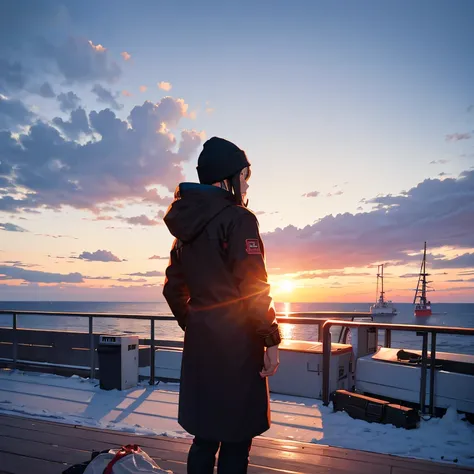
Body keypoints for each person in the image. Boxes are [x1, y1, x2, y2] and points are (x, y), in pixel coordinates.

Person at [162, 137, 281, 474]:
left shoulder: (185, 228)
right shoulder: (238, 218)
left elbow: (173, 290)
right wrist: (270, 340)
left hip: (202, 345)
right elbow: (254, 287)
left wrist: (198, 324)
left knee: (205, 436)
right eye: (244, 176)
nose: (245, 185)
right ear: (226, 179)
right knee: (236, 439)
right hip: (238, 348)